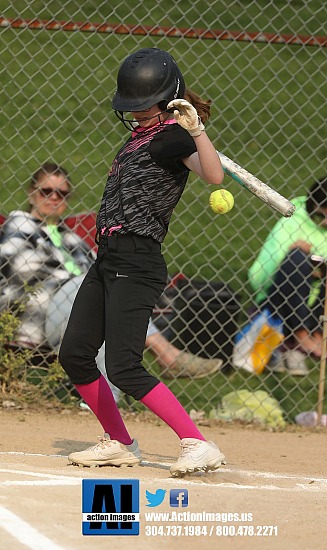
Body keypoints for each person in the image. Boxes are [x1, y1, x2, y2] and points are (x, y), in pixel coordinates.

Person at [59, 47, 227, 477]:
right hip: (107, 258)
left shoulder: (173, 136)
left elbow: (213, 175)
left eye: (144, 105)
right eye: (131, 107)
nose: (136, 113)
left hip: (137, 259)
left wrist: (198, 131)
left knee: (123, 365)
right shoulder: (140, 135)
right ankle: (118, 441)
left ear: (167, 97)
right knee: (76, 353)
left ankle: (197, 442)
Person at [0, 162, 223, 400]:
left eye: (62, 193)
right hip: (41, 311)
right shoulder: (20, 224)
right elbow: (25, 271)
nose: (54, 197)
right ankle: (166, 354)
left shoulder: (70, 237)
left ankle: (106, 407)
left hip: (80, 305)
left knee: (108, 298)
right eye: (46, 191)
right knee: (95, 293)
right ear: (31, 194)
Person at [247, 176, 327, 375]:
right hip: (278, 299)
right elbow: (258, 278)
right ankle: (300, 336)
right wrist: (299, 257)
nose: (324, 223)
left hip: (315, 305)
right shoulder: (292, 218)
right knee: (297, 258)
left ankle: (317, 334)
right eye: (320, 218)